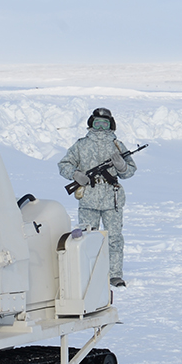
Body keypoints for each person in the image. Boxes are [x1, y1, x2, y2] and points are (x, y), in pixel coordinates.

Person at [58, 107, 138, 287]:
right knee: (86, 237)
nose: (101, 128)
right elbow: (64, 164)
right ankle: (88, 273)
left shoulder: (117, 145)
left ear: (111, 125)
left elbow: (130, 171)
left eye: (105, 123)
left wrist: (122, 166)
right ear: (90, 123)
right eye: (97, 123)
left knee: (114, 238)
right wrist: (76, 175)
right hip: (89, 198)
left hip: (112, 198)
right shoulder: (81, 145)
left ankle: (115, 274)